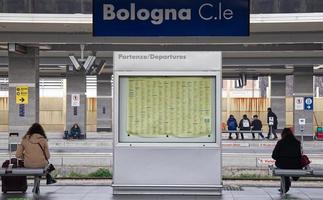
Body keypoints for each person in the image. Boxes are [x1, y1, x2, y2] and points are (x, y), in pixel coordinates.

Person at [272, 128, 302, 193]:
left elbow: (274, 156)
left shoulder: (280, 142)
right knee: (288, 166)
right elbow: (300, 155)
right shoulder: (297, 142)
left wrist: (280, 158)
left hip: (283, 164)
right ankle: (292, 179)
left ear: (283, 134)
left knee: (284, 167)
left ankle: (285, 187)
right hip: (295, 165)